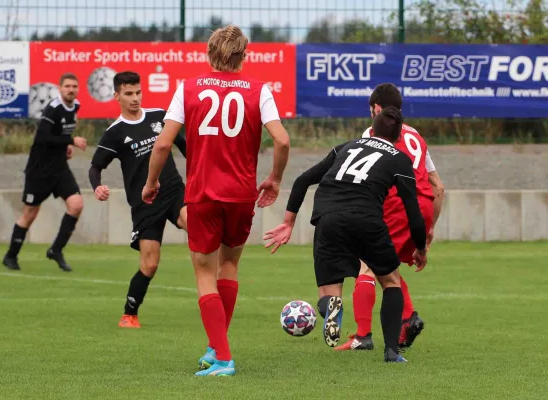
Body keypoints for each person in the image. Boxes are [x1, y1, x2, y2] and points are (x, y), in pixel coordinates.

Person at [141, 25, 290, 376]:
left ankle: (223, 358)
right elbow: (282, 141)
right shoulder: (260, 90)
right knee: (230, 266)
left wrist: (151, 183)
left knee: (204, 272)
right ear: (244, 55)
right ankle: (214, 347)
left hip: (203, 194)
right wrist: (274, 179)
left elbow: (163, 144)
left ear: (209, 52)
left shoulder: (187, 88)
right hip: (241, 195)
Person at [264, 107, 428, 363]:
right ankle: (391, 352)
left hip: (328, 217)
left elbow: (303, 180)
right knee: (391, 282)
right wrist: (420, 247)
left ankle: (331, 305)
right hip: (367, 219)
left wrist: (288, 222)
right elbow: (413, 213)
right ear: (398, 138)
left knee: (329, 292)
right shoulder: (399, 159)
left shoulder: (345, 147)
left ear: (371, 130)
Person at [334, 83, 445, 352]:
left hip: (397, 204)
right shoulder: (416, 136)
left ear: (377, 109)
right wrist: (428, 230)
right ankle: (408, 318)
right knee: (389, 266)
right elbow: (438, 186)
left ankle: (362, 336)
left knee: (366, 264)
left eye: (371, 109)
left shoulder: (373, 132)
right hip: (424, 207)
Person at [89, 71, 187, 328]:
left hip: (174, 190)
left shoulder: (159, 116)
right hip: (145, 203)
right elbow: (95, 167)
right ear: (117, 96)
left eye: (138, 93)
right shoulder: (115, 132)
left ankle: (216, 286)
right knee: (150, 263)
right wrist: (97, 187)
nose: (135, 98)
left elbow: (185, 146)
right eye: (129, 94)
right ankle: (129, 314)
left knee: (197, 225)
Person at [2, 73, 87, 272]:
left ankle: (56, 250)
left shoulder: (75, 106)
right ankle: (10, 255)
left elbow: (61, 134)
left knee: (76, 204)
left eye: (74, 86)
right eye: (67, 86)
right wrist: (71, 141)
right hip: (39, 170)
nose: (71, 89)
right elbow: (42, 138)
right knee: (30, 214)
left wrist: (66, 145)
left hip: (59, 168)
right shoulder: (53, 108)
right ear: (59, 88)